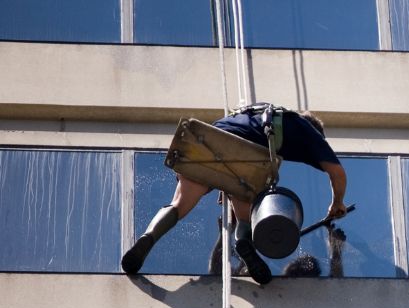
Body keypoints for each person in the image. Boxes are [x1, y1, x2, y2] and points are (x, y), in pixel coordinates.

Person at [121, 105, 348, 285]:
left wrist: (222, 185)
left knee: (178, 205)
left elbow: (231, 139)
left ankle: (147, 239)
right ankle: (243, 243)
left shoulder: (254, 114)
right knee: (246, 208)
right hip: (245, 157)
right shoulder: (306, 130)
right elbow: (338, 173)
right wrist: (337, 203)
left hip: (204, 141)